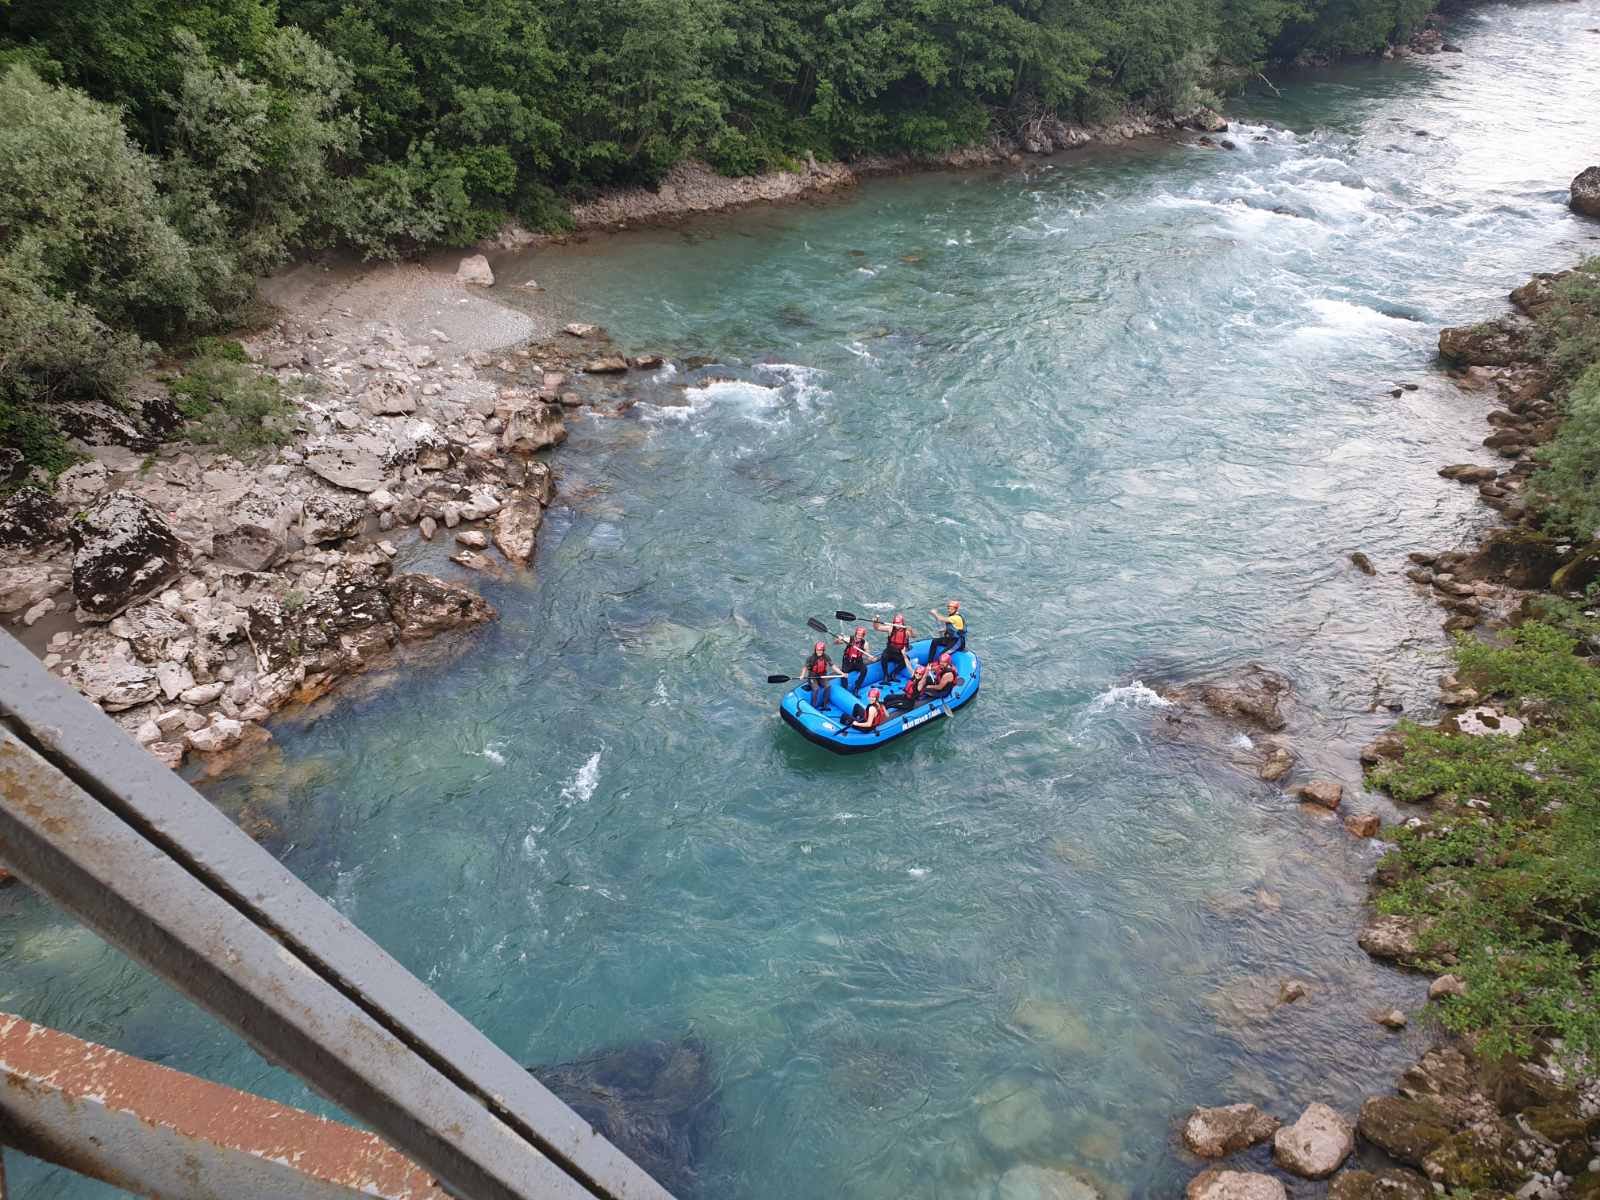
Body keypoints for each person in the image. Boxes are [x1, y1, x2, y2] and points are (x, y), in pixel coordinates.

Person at [872, 613, 915, 683]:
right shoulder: (890, 628)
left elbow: (914, 636)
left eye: (899, 623)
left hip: (899, 653)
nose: (897, 624)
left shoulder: (906, 631)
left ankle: (893, 674)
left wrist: (911, 630)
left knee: (907, 659)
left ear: (902, 622)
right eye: (895, 622)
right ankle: (886, 675)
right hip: (889, 652)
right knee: (884, 656)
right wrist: (875, 621)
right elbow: (877, 627)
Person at [839, 626, 873, 692]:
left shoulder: (865, 644)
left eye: (861, 635)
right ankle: (845, 689)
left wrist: (871, 658)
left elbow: (867, 655)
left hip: (858, 661)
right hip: (848, 661)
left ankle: (857, 687)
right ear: (855, 634)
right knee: (843, 674)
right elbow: (837, 643)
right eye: (858, 635)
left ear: (863, 636)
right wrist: (839, 639)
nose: (859, 637)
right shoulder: (849, 639)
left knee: (864, 670)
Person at [803, 641, 835, 709]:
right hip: (812, 676)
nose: (819, 652)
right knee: (816, 688)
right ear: (815, 650)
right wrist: (802, 675)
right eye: (818, 650)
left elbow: (833, 666)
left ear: (823, 650)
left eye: (821, 650)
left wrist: (841, 673)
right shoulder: (811, 658)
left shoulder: (826, 657)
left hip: (822, 675)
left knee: (828, 686)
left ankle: (825, 705)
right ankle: (813, 706)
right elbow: (805, 668)